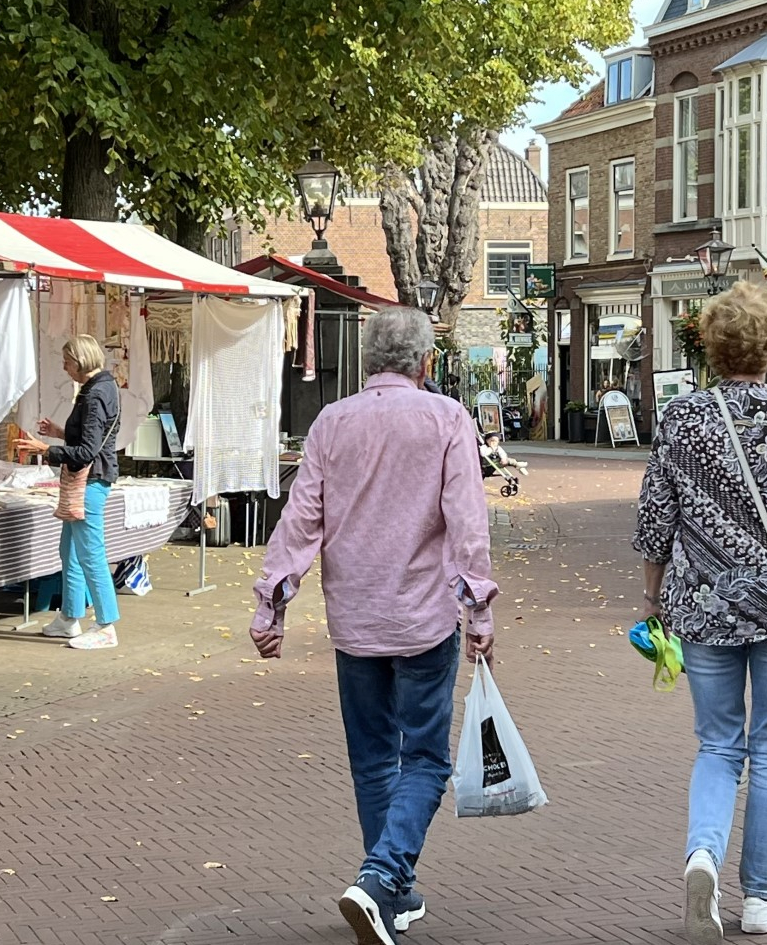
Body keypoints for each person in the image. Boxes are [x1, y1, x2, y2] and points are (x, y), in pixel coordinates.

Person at [249, 307, 497, 945]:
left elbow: (302, 517)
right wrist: (480, 607)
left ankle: (390, 896)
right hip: (424, 615)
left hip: (355, 617)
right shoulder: (447, 419)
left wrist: (273, 600)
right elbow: (466, 520)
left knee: (371, 761)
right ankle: (383, 875)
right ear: (426, 363)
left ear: (367, 364)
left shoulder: (332, 423)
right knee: (424, 759)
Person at [632, 282, 767, 944]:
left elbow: (654, 520)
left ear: (710, 346)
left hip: (702, 605)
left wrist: (652, 598)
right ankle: (760, 897)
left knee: (718, 743)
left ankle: (702, 855)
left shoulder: (680, 419)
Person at [14, 335, 124, 651]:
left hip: (89, 482)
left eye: (66, 361)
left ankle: (106, 625)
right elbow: (94, 436)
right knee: (70, 550)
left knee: (91, 553)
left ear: (79, 361)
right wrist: (60, 433)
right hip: (87, 481)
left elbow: (88, 450)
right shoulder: (99, 388)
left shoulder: (95, 395)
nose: (64, 367)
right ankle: (70, 616)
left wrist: (44, 449)